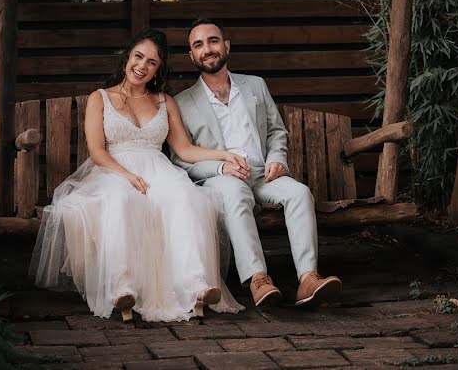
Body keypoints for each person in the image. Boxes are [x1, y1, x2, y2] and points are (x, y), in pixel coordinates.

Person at [29, 28, 244, 323]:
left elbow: (183, 148)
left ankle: (196, 285)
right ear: (127, 57)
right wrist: (125, 174)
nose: (142, 66)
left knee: (184, 197)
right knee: (120, 198)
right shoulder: (100, 98)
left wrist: (222, 154)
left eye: (151, 62)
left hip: (158, 169)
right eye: (138, 57)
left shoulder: (163, 101)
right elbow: (96, 150)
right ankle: (121, 287)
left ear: (158, 69)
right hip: (112, 169)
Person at [171, 19, 342, 308]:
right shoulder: (182, 102)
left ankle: (308, 279)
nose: (207, 49)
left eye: (213, 41)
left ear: (226, 46)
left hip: (263, 175)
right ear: (191, 56)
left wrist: (277, 159)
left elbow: (276, 131)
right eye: (198, 45)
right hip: (221, 178)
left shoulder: (255, 85)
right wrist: (220, 168)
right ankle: (258, 279)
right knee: (236, 194)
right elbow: (181, 159)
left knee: (300, 193)